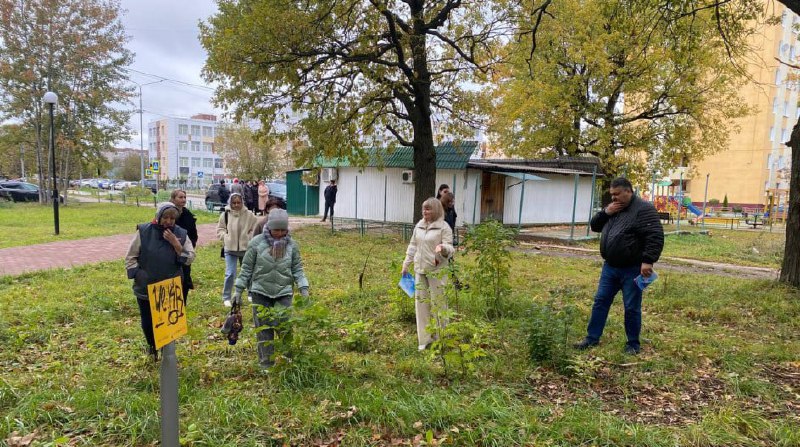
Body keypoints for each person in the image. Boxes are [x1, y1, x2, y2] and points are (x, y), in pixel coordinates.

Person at [574, 177, 665, 355]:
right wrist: (605, 212)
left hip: (632, 268)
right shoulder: (613, 209)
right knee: (600, 301)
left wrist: (648, 260)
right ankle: (592, 338)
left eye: (617, 194)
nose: (614, 198)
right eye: (611, 195)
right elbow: (595, 226)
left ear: (628, 191)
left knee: (631, 307)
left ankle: (633, 344)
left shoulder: (643, 209)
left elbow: (655, 236)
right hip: (610, 267)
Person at [232, 209, 310, 369]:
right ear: (269, 227)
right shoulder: (256, 243)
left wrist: (303, 288)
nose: (280, 233)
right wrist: (238, 290)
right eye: (276, 229)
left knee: (285, 328)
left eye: (283, 230)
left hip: (283, 293)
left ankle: (289, 361)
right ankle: (266, 365)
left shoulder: (292, 246)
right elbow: (246, 268)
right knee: (264, 330)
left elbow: (297, 269)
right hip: (260, 292)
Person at [125, 203, 196, 361]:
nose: (169, 221)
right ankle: (152, 346)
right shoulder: (144, 231)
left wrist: (176, 245)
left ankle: (167, 349)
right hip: (147, 285)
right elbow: (131, 256)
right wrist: (138, 274)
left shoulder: (181, 233)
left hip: (170, 286)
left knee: (168, 320)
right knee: (148, 321)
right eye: (166, 217)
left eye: (172, 218)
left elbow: (190, 258)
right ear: (159, 216)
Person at [401, 198, 454, 351]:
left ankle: (441, 338)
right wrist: (406, 263)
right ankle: (424, 340)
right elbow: (413, 245)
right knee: (421, 305)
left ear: (436, 210)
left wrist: (443, 249)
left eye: (428, 209)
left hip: (437, 271)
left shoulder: (444, 227)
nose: (425, 212)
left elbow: (450, 248)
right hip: (419, 269)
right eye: (424, 209)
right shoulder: (419, 225)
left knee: (439, 303)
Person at [217, 192, 259, 307]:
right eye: (233, 203)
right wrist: (225, 237)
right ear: (230, 203)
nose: (236, 205)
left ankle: (250, 293)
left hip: (246, 249)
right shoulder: (225, 214)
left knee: (248, 273)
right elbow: (220, 229)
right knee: (230, 273)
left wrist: (249, 238)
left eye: (238, 202)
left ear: (242, 202)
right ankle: (226, 297)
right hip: (230, 249)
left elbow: (255, 227)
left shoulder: (249, 214)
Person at [170, 189, 198, 304]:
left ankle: (182, 306)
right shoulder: (168, 214)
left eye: (184, 197)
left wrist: (188, 246)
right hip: (168, 254)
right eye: (180, 197)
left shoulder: (188, 215)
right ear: (173, 199)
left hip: (184, 252)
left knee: (184, 280)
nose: (183, 200)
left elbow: (193, 234)